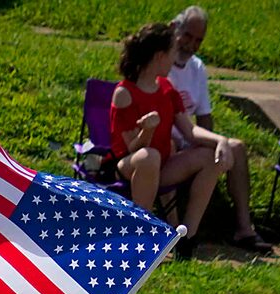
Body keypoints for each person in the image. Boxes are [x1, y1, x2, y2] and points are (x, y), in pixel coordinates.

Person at [112, 23, 267, 253]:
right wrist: (148, 130)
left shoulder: (167, 88)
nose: (176, 57)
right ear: (159, 56)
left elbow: (189, 131)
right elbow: (132, 148)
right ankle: (140, 237)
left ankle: (185, 238)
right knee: (148, 156)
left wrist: (221, 141)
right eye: (173, 52)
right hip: (130, 164)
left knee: (209, 157)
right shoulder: (125, 92)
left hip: (162, 163)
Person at [169, 5, 217, 128]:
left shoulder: (197, 67)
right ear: (173, 28)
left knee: (235, 146)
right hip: (164, 141)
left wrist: (214, 142)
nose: (191, 45)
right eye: (187, 36)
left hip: (187, 139)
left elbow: (204, 115)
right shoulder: (155, 64)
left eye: (198, 41)